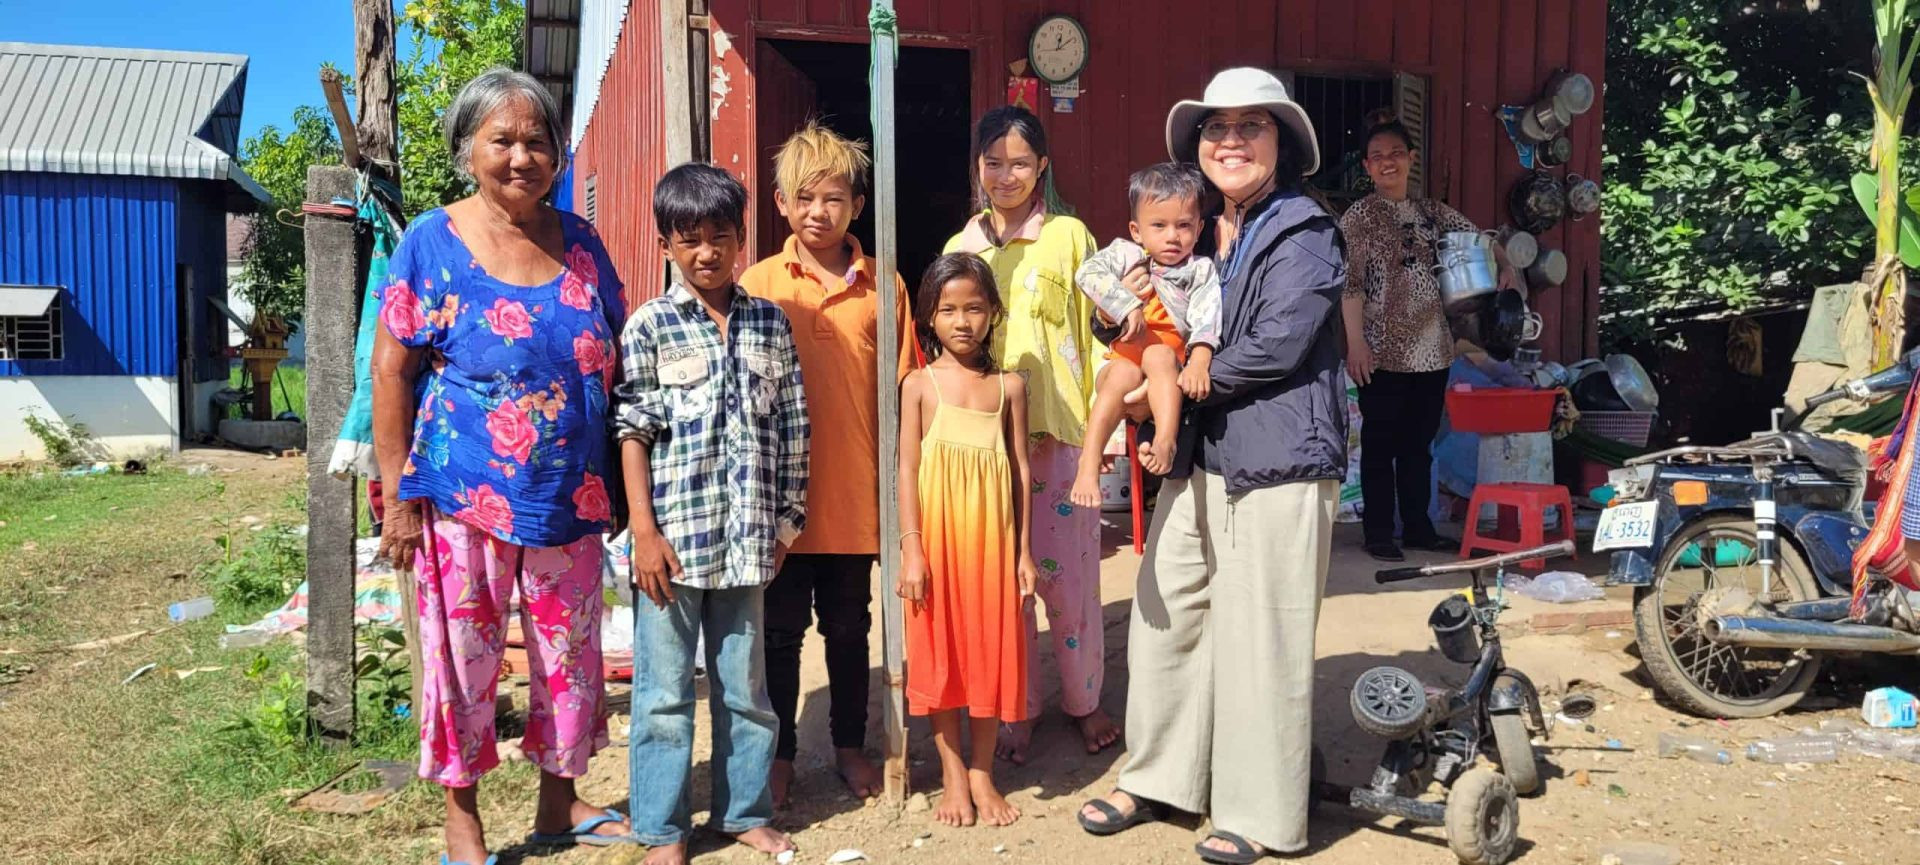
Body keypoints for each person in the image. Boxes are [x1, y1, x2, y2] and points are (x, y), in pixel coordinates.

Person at [1076, 67, 1348, 864]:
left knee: (1262, 635)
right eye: (1215, 128)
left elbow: (1275, 344)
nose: (1230, 140)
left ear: (1283, 143)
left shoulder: (1305, 229)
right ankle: (1160, 776)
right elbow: (1149, 324)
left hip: (1279, 454)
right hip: (1200, 455)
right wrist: (1116, 324)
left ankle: (1261, 809)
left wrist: (1166, 391)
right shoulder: (1196, 232)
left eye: (1251, 126)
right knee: (1167, 615)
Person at [370, 67, 634, 865]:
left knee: (569, 659)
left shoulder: (582, 243)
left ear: (558, 155)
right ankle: (464, 818)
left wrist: (622, 485)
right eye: (503, 140)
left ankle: (559, 803)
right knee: (464, 661)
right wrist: (397, 495)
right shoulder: (431, 240)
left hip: (571, 494)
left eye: (538, 141)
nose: (522, 156)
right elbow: (391, 370)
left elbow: (615, 359)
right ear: (467, 149)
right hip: (461, 495)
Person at [616, 163, 807, 865]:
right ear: (666, 242)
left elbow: (793, 427)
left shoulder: (769, 324)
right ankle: (663, 830)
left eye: (720, 236)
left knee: (745, 690)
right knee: (664, 694)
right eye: (689, 239)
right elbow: (631, 431)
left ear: (739, 236)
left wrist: (786, 523)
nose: (707, 253)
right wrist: (643, 531)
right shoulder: (650, 326)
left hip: (750, 541)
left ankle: (741, 812)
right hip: (670, 545)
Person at [739, 120, 915, 806]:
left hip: (854, 496)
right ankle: (779, 752)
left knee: (850, 628)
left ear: (857, 206)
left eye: (834, 198)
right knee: (777, 634)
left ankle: (848, 745)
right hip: (779, 504)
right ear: (781, 204)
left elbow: (905, 391)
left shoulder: (883, 285)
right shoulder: (757, 284)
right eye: (805, 198)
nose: (819, 212)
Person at [943, 105, 1118, 761]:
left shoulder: (1071, 237)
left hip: (1059, 435)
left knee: (1068, 584)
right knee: (1002, 584)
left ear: (1042, 166)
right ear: (978, 168)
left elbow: (1098, 334)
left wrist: (1101, 433)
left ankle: (1084, 700)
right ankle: (1015, 704)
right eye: (993, 162)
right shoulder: (962, 248)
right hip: (983, 442)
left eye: (1020, 161)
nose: (1006, 174)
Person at [897, 252, 1038, 827]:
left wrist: (1025, 551)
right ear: (929, 316)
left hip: (993, 547)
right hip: (938, 545)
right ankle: (952, 772)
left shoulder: (1009, 387)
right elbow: (906, 467)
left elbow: (1023, 470)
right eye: (948, 309)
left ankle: (983, 770)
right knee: (940, 654)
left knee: (989, 652)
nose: (962, 321)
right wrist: (911, 547)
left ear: (993, 314)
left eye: (975, 309)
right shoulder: (919, 385)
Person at [1341, 119, 1517, 562]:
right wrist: (1355, 344)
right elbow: (1350, 286)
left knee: (1418, 447)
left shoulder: (1432, 213)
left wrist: (1507, 265)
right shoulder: (1359, 218)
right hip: (1380, 351)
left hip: (1432, 349)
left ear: (1411, 158)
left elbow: (1480, 240)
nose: (1388, 162)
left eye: (1396, 152)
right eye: (1377, 155)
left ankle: (1419, 528)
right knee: (1380, 445)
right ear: (1367, 165)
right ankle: (1379, 532)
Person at [1069, 162, 1222, 507]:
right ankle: (1089, 462)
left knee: (1159, 355)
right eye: (1159, 225)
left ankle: (1167, 440)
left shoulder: (1199, 270)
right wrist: (1124, 304)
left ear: (1199, 228)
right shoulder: (1126, 255)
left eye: (1183, 226)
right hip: (1125, 353)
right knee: (1120, 373)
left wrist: (1199, 361)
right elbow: (1087, 273)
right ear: (1137, 231)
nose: (1172, 236)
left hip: (1167, 360)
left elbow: (1207, 318)